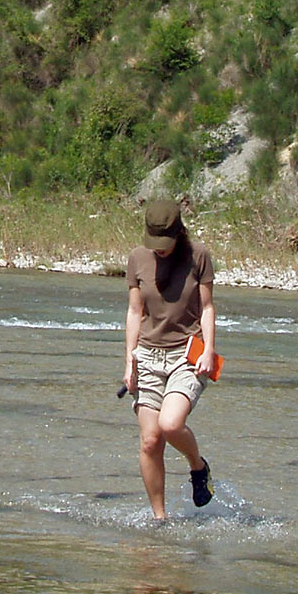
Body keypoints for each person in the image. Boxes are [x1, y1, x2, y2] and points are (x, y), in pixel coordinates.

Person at [121, 194, 216, 521]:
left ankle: (198, 466)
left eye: (166, 241)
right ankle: (160, 520)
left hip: (186, 356)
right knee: (150, 441)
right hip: (147, 356)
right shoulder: (137, 258)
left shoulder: (198, 256)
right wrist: (129, 361)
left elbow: (206, 308)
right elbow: (135, 311)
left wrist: (210, 351)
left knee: (171, 424)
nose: (159, 248)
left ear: (178, 233)